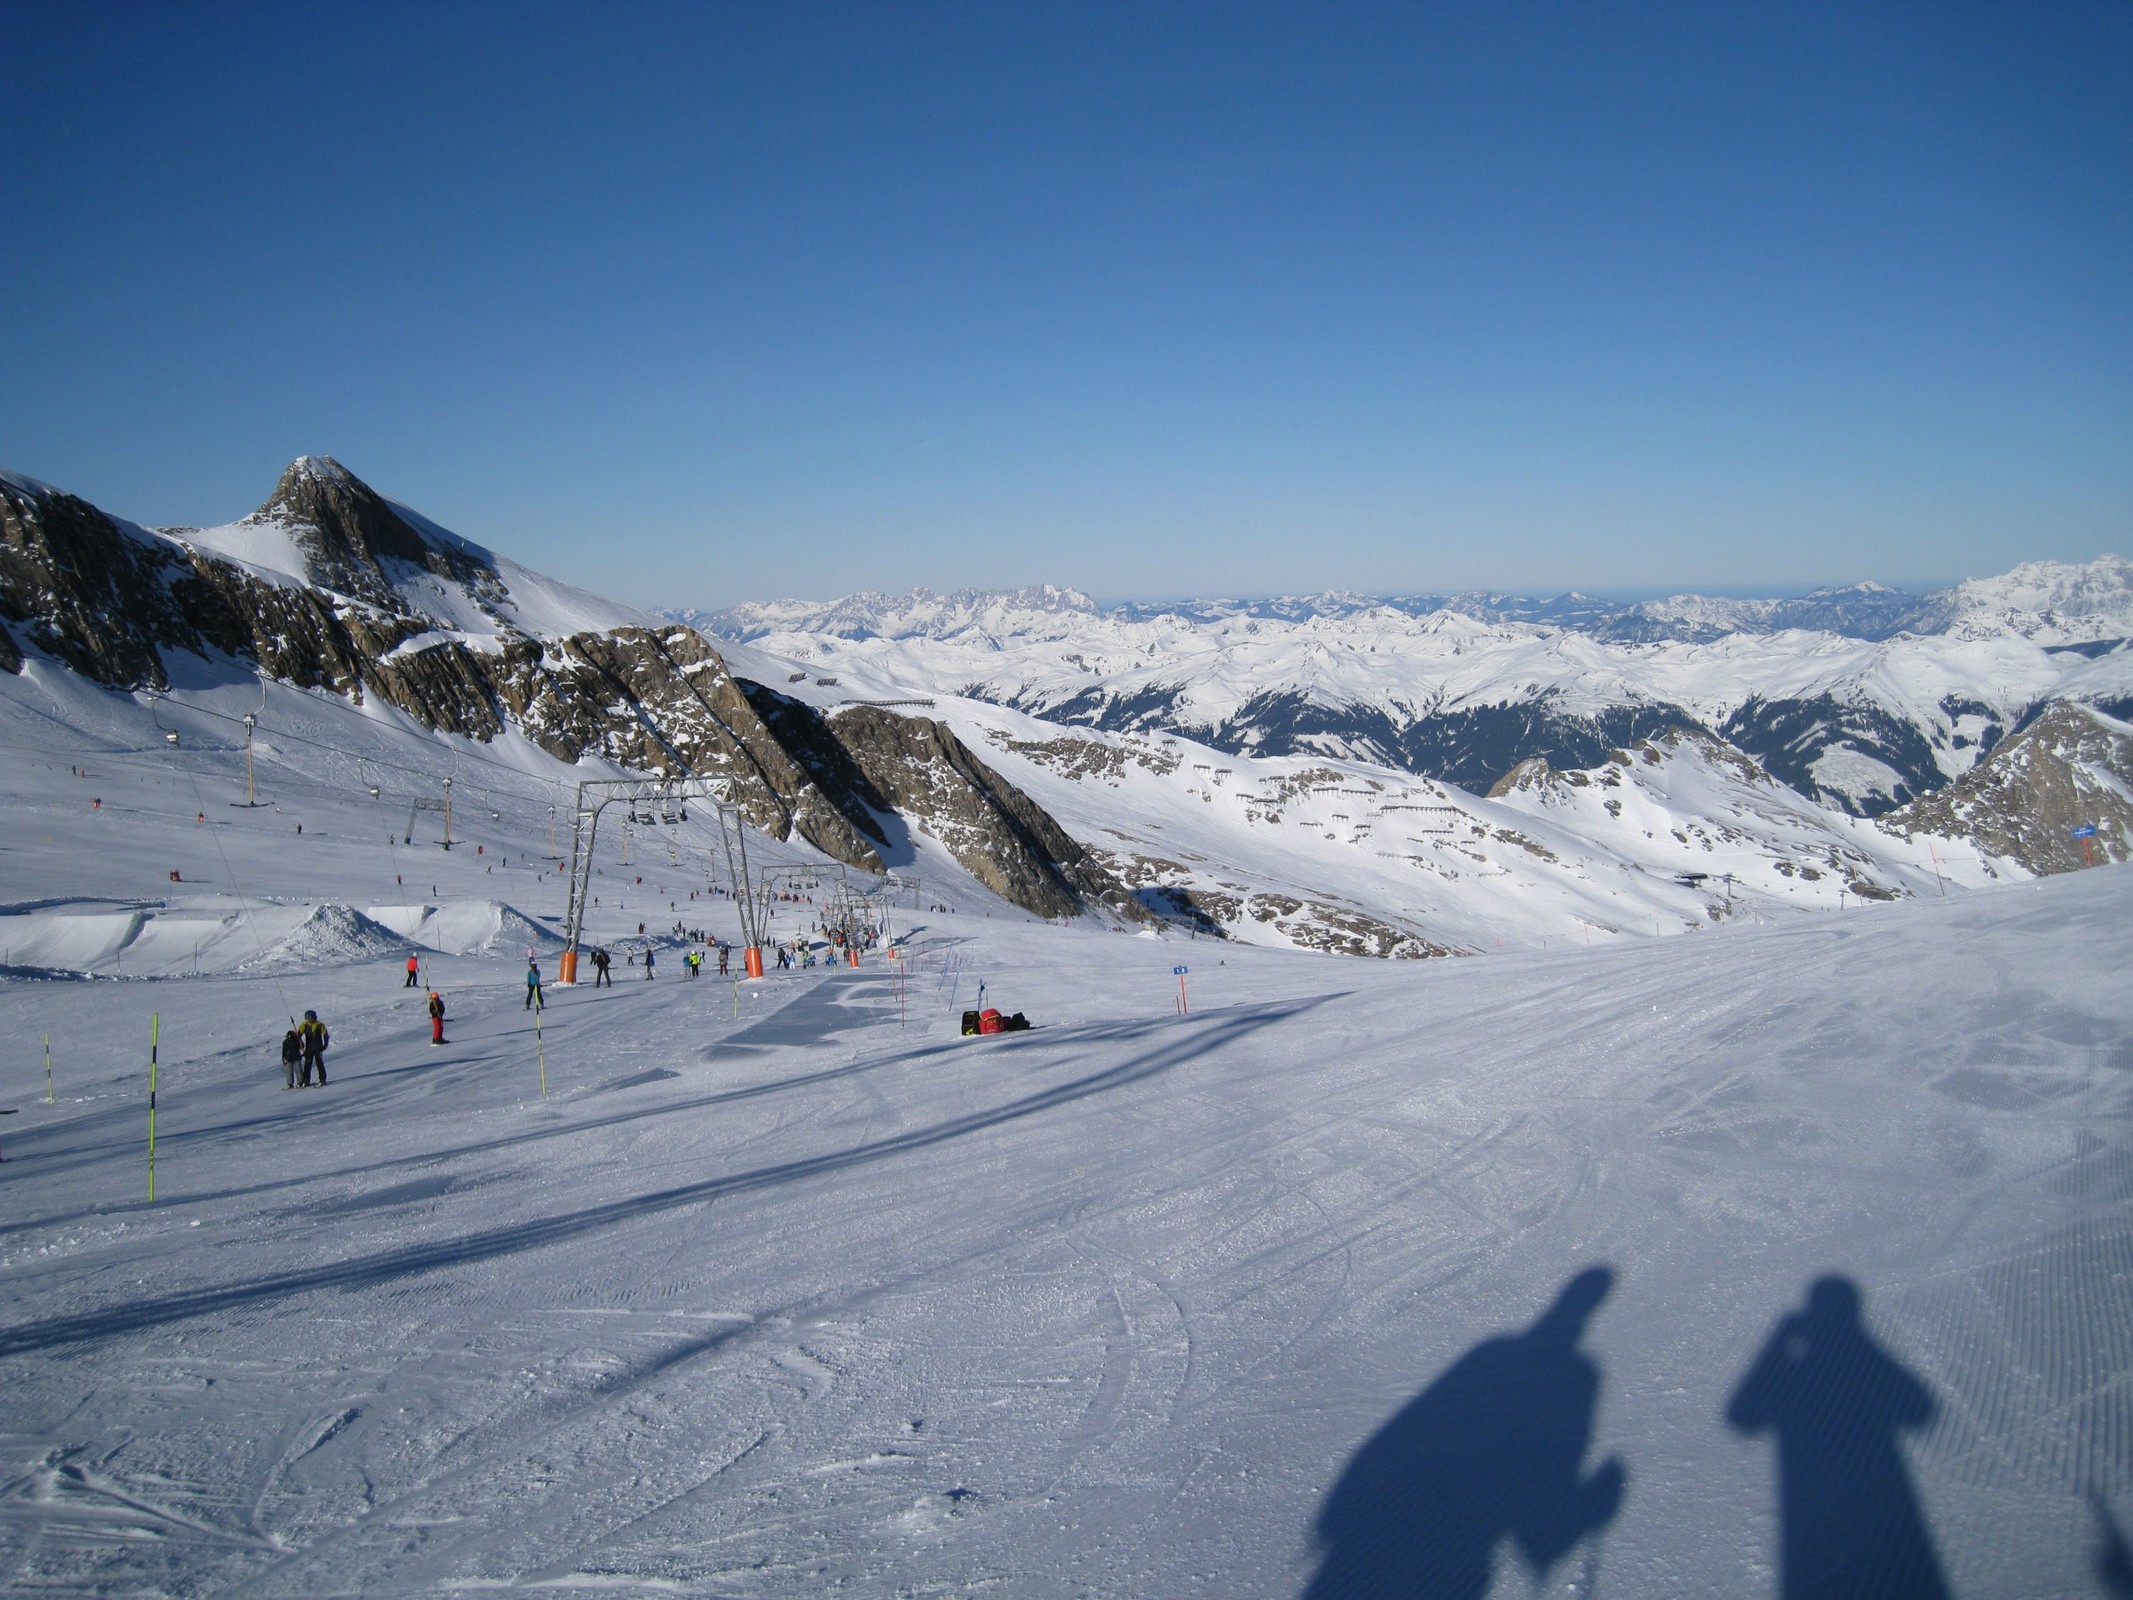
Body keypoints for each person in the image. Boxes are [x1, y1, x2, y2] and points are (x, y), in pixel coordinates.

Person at [297, 1010, 330, 1086]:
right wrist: (299, 1042)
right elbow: (298, 1036)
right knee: (307, 1064)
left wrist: (325, 1045)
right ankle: (306, 1080)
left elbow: (325, 1035)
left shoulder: (320, 1025)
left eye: (309, 1018)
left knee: (319, 1063)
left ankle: (322, 1079)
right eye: (307, 1018)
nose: (308, 1020)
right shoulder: (304, 1025)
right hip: (309, 1048)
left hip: (318, 1047)